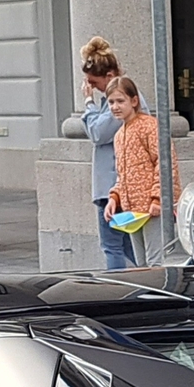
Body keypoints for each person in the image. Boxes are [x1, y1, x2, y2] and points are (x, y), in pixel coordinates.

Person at [77, 37, 130, 269]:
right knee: (128, 246)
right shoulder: (115, 100)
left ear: (109, 77)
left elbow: (98, 133)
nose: (91, 87)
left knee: (112, 246)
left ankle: (120, 288)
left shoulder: (119, 102)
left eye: (93, 82)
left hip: (113, 185)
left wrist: (88, 103)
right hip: (114, 184)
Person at [103, 76, 162, 267]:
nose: (115, 106)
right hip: (133, 209)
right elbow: (123, 174)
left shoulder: (150, 126)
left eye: (120, 101)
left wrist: (157, 198)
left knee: (155, 262)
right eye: (111, 102)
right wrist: (114, 198)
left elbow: (164, 163)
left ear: (134, 101)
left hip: (152, 208)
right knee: (141, 264)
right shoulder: (119, 135)